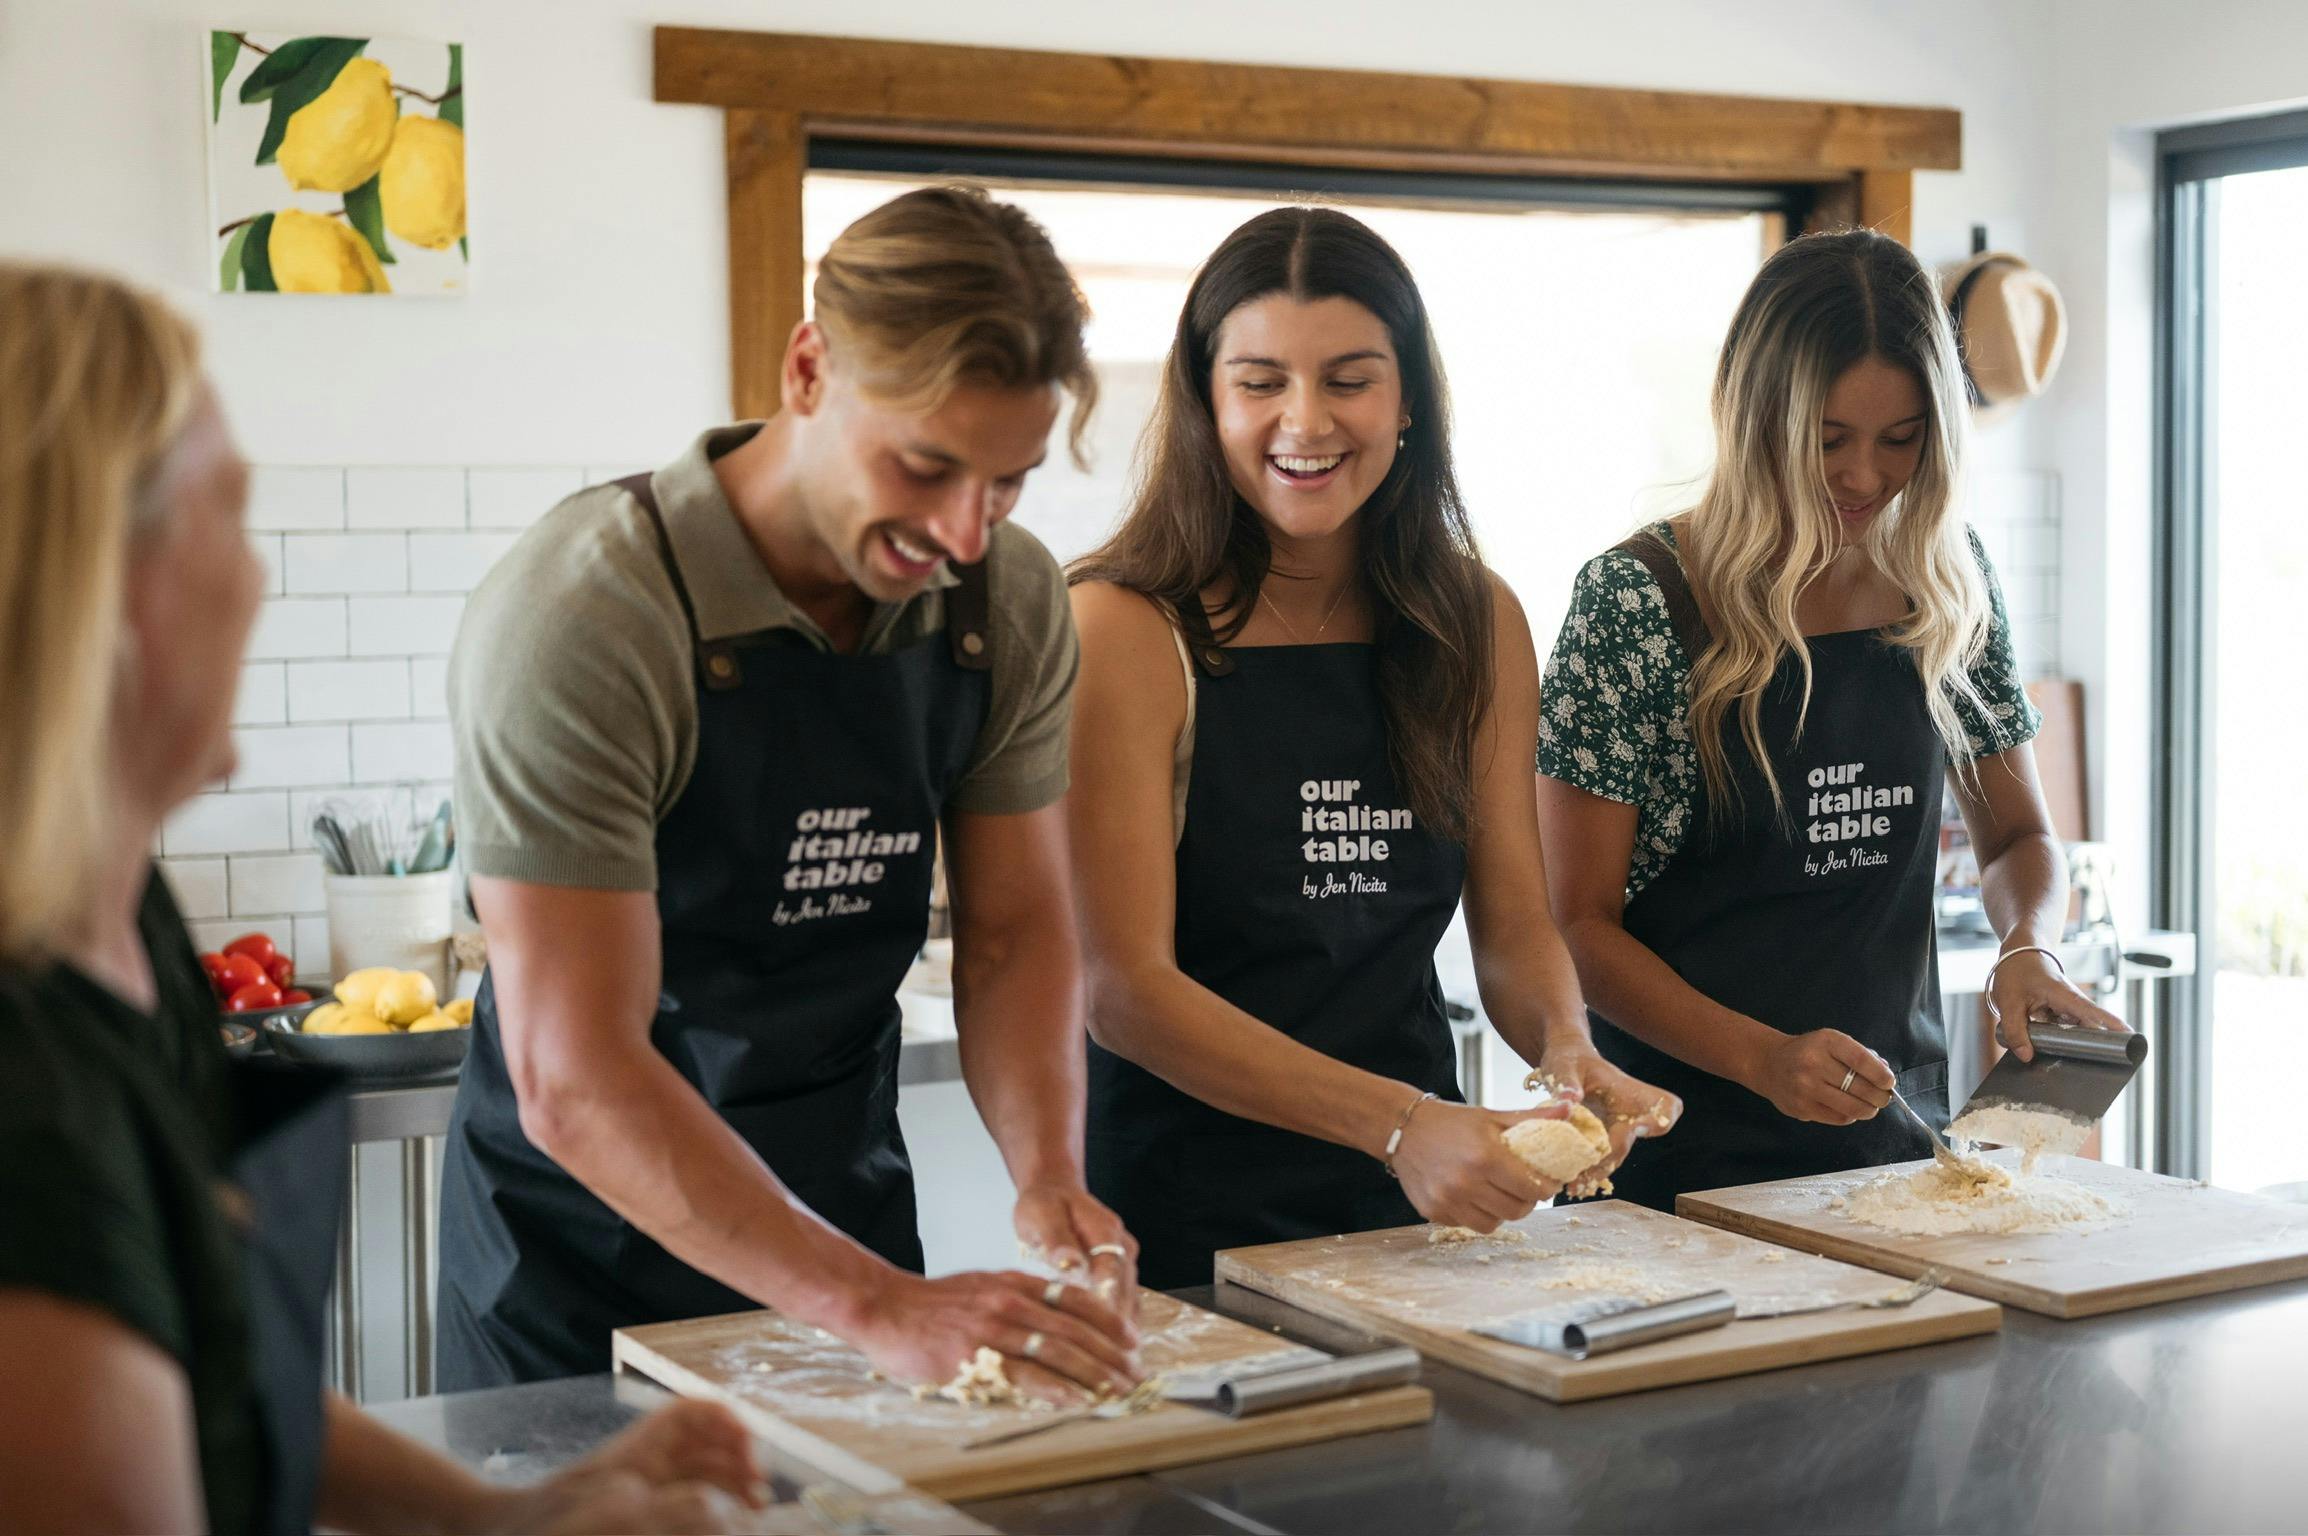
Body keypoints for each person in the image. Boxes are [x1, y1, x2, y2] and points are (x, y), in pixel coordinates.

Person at [0, 262, 761, 1534]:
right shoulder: (26, 1108)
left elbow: (231, 1369)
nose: (258, 583)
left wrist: (506, 1518)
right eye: (231, 521)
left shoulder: (119, 921)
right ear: (109, 589)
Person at [437, 185, 1141, 1401]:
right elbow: (576, 1076)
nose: (964, 534)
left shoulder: (1003, 604)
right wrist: (871, 1303)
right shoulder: (590, 616)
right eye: (925, 467)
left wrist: (1046, 1171)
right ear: (808, 368)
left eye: (1008, 482)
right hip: (580, 1261)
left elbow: (1018, 933)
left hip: (845, 1210)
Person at [1067, 207, 1682, 1289]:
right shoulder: (1123, 629)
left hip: (1417, 1221)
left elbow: (1513, 924)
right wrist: (1400, 1125)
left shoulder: (1472, 620)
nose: (1303, 420)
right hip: (1182, 1226)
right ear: (1205, 401)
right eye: (1260, 381)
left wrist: (1568, 1049)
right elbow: (1121, 991)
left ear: (1408, 405)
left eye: (1348, 378)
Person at [1534, 230, 2128, 1210]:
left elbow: (2019, 836)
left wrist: (2029, 948)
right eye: (1826, 440)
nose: (1863, 477)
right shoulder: (1636, 603)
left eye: (1900, 440)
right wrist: (1762, 1058)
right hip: (1675, 1169)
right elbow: (1577, 926)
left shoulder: (1948, 582)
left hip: (1896, 1155)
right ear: (1754, 415)